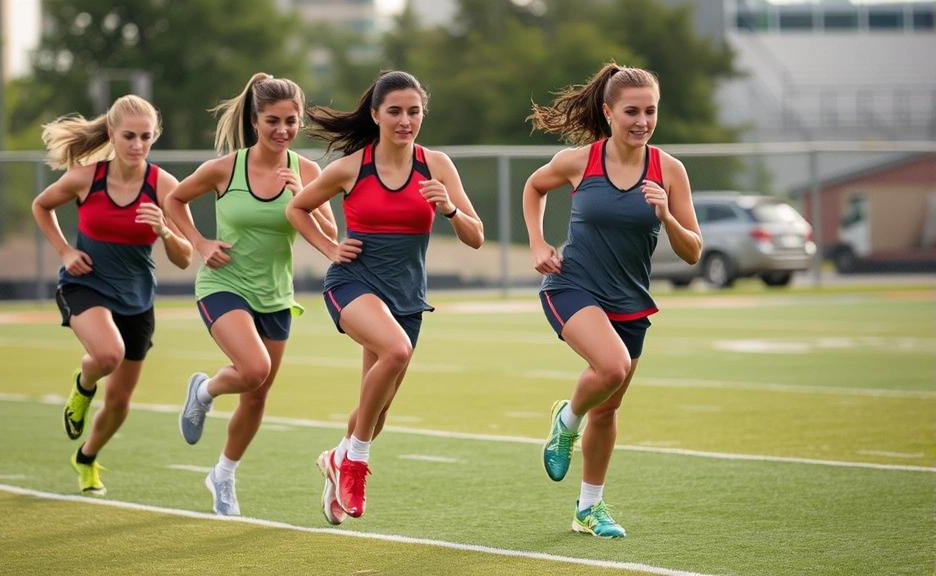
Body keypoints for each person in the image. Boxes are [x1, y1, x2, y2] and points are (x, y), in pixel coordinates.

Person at [286, 70, 484, 525]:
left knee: (376, 413)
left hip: (407, 297)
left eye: (413, 111)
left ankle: (336, 458)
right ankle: (353, 462)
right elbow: (296, 208)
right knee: (397, 349)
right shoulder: (353, 167)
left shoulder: (437, 166)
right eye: (394, 111)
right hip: (353, 284)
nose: (405, 120)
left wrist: (449, 208)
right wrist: (329, 247)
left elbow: (475, 237)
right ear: (375, 115)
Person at [522, 63, 702, 538]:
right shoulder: (580, 161)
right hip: (574, 286)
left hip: (631, 300)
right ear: (608, 111)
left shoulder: (669, 170)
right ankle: (566, 420)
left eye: (650, 111)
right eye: (631, 111)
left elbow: (692, 252)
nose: (642, 121)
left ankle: (588, 509)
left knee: (609, 409)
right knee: (612, 367)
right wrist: (539, 245)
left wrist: (666, 214)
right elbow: (533, 188)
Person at [165, 73, 337, 516]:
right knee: (254, 367)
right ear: (255, 120)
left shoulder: (310, 172)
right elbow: (175, 201)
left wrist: (308, 199)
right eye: (272, 121)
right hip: (224, 284)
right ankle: (203, 392)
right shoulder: (227, 168)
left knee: (257, 394)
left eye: (291, 121)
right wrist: (200, 243)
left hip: (276, 294)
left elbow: (331, 236)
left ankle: (222, 476)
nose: (282, 130)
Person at [32, 94, 193, 496]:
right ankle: (83, 385)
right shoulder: (87, 178)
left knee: (120, 403)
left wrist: (165, 230)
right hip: (85, 284)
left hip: (137, 298)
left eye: (146, 137)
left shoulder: (163, 185)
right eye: (129, 137)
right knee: (107, 354)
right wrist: (66, 251)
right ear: (111, 134)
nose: (138, 145)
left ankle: (86, 458)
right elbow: (41, 205)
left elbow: (186, 257)